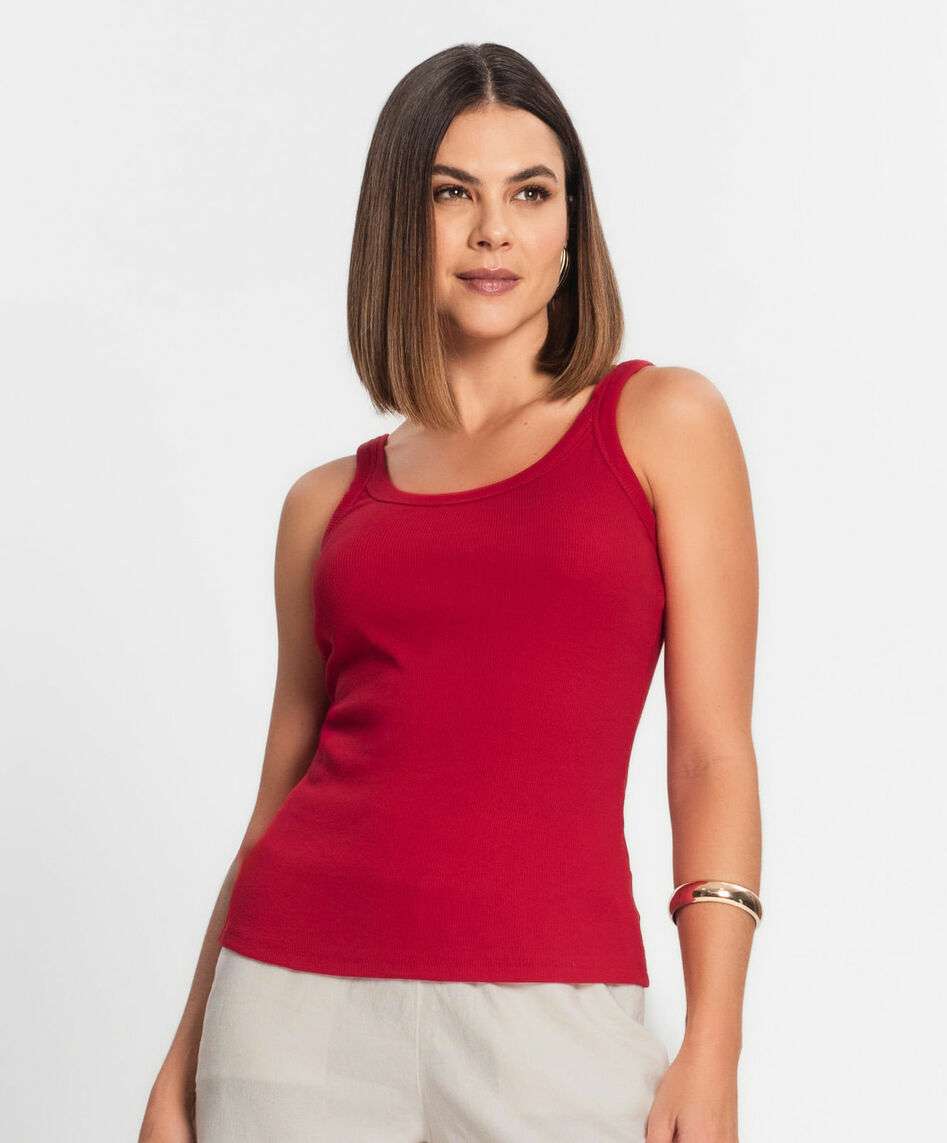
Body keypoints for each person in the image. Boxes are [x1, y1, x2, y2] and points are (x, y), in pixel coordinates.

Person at [139, 41, 762, 1143]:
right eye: (450, 194)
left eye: (530, 192)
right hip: (290, 1015)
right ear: (400, 223)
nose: (493, 231)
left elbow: (710, 755)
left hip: (553, 1016)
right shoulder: (325, 505)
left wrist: (714, 1041)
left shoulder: (662, 422)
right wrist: (182, 1061)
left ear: (571, 225)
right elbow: (278, 794)